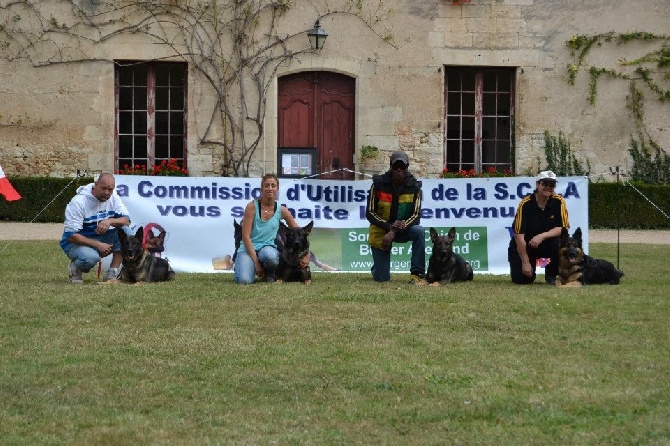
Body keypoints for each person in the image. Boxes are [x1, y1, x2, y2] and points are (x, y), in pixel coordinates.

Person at [234, 173, 307, 284]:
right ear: (261, 188)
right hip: (247, 249)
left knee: (271, 257)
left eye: (273, 185)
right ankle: (245, 266)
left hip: (267, 249)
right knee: (244, 281)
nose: (270, 188)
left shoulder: (281, 210)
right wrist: (256, 263)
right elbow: (245, 236)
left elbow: (300, 233)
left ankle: (270, 273)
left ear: (277, 189)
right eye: (266, 185)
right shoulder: (251, 207)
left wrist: (307, 255)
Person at [365, 150, 425, 284]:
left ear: (407, 168)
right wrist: (389, 227)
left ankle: (417, 273)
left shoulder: (415, 186)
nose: (399, 170)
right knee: (382, 278)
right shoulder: (378, 184)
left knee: (419, 231)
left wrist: (394, 230)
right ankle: (378, 268)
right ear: (390, 166)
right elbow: (369, 213)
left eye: (402, 167)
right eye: (396, 166)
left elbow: (416, 215)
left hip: (402, 229)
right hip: (382, 229)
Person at [60, 173, 132, 284]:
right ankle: (75, 267)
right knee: (91, 258)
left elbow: (127, 220)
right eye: (103, 188)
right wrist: (98, 245)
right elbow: (70, 235)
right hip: (76, 242)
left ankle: (112, 272)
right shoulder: (78, 202)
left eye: (110, 189)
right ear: (95, 184)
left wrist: (109, 221)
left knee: (127, 233)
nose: (107, 193)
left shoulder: (113, 197)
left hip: (101, 237)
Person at [508, 170, 570, 285]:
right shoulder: (525, 204)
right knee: (523, 280)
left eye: (551, 185)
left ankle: (552, 274)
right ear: (537, 184)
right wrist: (525, 263)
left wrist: (541, 236)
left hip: (547, 243)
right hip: (527, 244)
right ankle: (529, 269)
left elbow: (563, 228)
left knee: (564, 242)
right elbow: (518, 236)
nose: (548, 187)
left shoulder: (559, 202)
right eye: (545, 184)